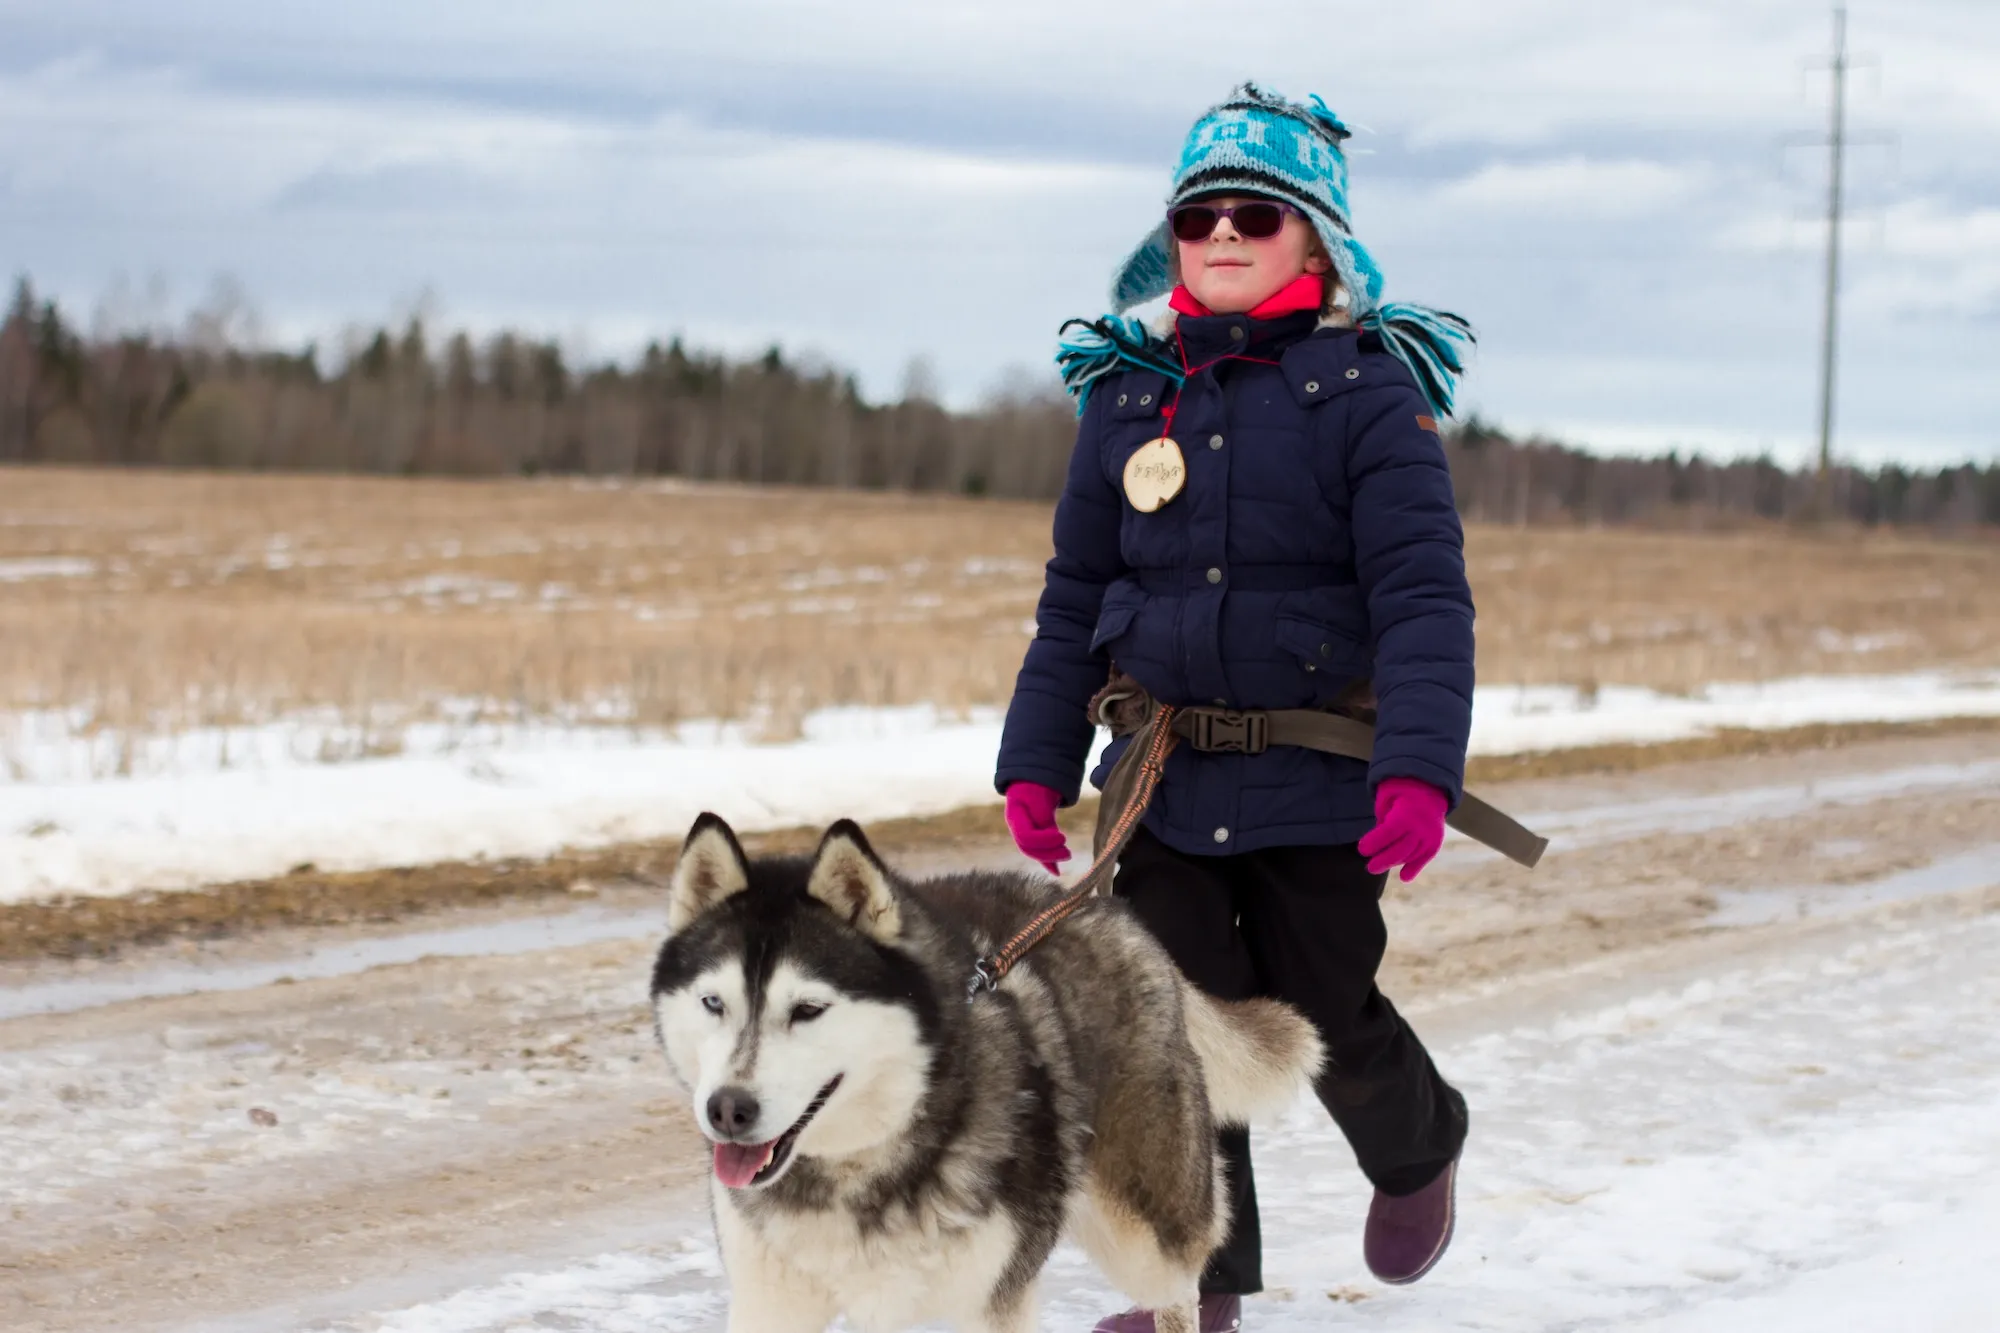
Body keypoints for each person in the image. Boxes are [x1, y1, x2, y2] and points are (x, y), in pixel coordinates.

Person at [994, 84, 1477, 1333]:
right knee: (1178, 1040)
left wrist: (1417, 769)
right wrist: (1035, 760)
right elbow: (1071, 596)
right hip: (1161, 779)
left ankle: (1417, 1144)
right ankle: (1190, 1303)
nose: (1219, 235)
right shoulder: (1122, 398)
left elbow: (1422, 596)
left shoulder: (1370, 394)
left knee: (1320, 1007)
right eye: (1197, 214)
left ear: (1313, 240)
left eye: (1252, 216)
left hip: (1320, 776)